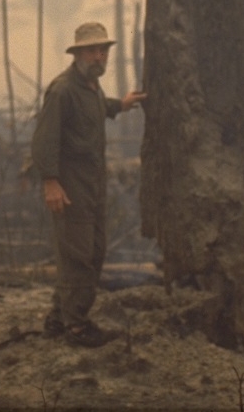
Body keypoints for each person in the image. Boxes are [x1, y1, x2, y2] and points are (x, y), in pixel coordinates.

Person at [31, 22, 146, 347]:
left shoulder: (91, 87)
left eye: (103, 51)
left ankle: (58, 319)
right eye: (92, 51)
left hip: (92, 185)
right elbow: (44, 140)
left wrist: (120, 105)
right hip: (70, 187)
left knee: (92, 252)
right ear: (78, 54)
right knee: (78, 257)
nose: (99, 57)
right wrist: (51, 183)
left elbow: (97, 108)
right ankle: (77, 327)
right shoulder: (62, 90)